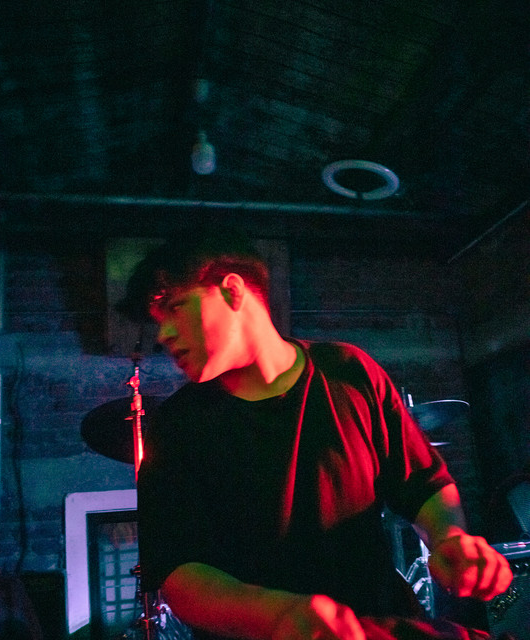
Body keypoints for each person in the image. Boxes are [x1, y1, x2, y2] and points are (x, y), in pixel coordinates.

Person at [118, 227, 513, 640]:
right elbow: (180, 577)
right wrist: (278, 615)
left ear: (232, 290)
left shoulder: (349, 370)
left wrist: (450, 538)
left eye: (175, 308)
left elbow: (423, 484)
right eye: (159, 321)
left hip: (383, 625)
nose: (163, 335)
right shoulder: (177, 426)